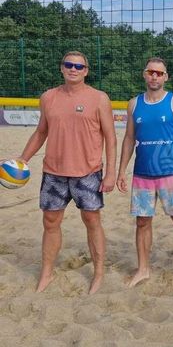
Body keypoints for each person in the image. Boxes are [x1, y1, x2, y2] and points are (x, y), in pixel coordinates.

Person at [19, 51, 116, 294]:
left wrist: (111, 172)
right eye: (69, 65)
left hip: (88, 171)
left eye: (79, 66)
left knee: (92, 220)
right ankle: (47, 272)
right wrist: (23, 159)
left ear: (86, 71)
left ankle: (98, 273)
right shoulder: (48, 97)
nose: (73, 69)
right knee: (50, 221)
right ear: (61, 68)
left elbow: (111, 138)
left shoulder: (99, 98)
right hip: (54, 172)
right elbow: (41, 132)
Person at [116, 57, 173, 290]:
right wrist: (121, 171)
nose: (154, 76)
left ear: (165, 77)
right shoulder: (134, 104)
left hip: (171, 173)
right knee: (142, 222)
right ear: (145, 74)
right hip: (143, 174)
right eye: (151, 72)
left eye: (159, 73)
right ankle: (143, 269)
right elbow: (129, 138)